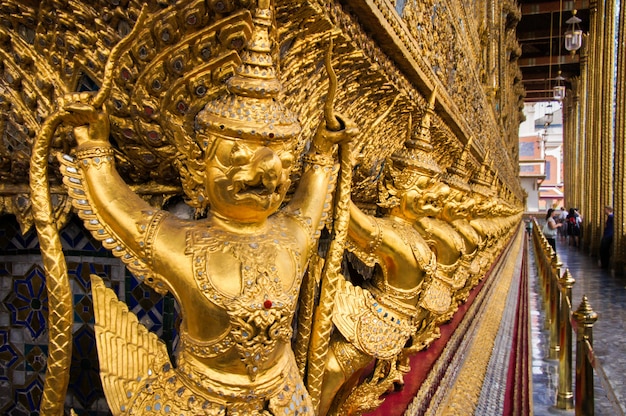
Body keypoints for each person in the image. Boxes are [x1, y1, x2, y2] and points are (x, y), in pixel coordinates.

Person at [57, 5, 358, 414]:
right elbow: (120, 209)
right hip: (199, 401)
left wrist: (323, 152)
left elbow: (312, 199)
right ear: (199, 168)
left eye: (281, 161)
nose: (265, 173)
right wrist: (94, 151)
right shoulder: (183, 244)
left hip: (283, 394)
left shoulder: (293, 234)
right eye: (237, 156)